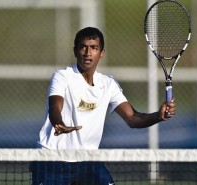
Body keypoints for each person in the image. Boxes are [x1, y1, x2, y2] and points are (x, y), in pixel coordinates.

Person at [30, 27, 176, 185]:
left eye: (94, 48)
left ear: (102, 53)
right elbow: (55, 107)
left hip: (88, 162)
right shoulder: (62, 77)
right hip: (52, 160)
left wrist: (158, 116)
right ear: (75, 51)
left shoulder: (108, 84)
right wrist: (58, 123)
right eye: (83, 47)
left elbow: (133, 118)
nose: (87, 52)